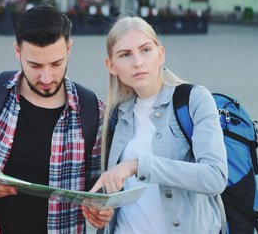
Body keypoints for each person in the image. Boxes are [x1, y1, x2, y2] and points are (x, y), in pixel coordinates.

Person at [0, 3, 112, 233]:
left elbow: (97, 193)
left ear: (69, 49)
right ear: (17, 51)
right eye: (35, 65)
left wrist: (101, 212)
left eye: (56, 63)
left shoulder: (92, 110)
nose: (46, 76)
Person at [83, 14, 228, 233]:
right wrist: (103, 213)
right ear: (111, 66)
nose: (138, 62)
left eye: (145, 50)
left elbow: (215, 177)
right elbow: (121, 195)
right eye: (125, 55)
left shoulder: (194, 100)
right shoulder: (115, 115)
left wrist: (138, 165)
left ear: (160, 55)